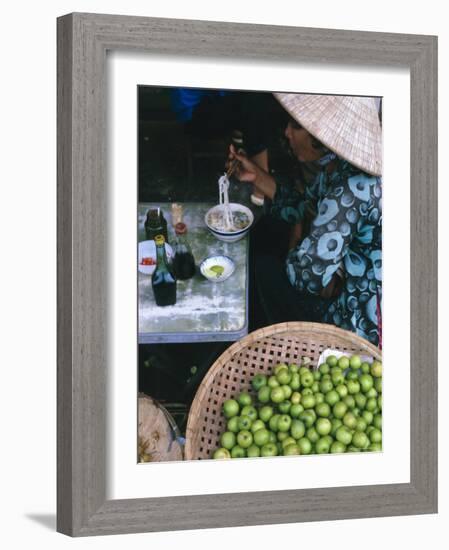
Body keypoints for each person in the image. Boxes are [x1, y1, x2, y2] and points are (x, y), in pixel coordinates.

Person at [229, 93, 382, 346]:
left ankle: (282, 347)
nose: (287, 133)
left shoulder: (349, 189)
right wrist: (256, 175)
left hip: (356, 316)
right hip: (339, 278)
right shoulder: (335, 167)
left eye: (296, 127)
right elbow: (302, 207)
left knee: (264, 269)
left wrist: (296, 240)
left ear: (322, 135)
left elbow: (308, 277)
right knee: (268, 236)